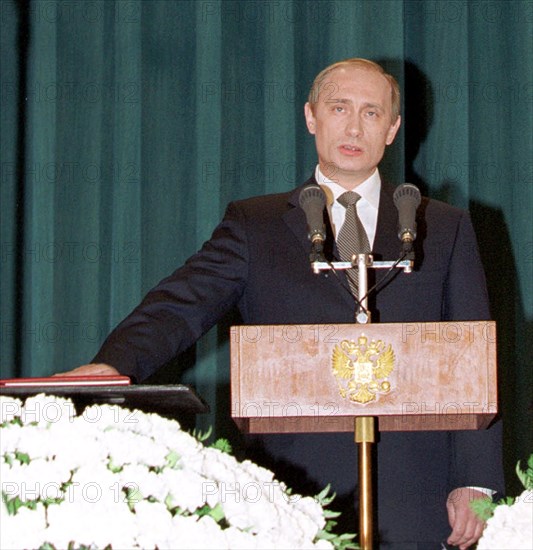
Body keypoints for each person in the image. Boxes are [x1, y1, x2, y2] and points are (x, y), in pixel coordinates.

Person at [61, 58, 504, 549]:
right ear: (311, 117)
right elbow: (179, 305)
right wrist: (113, 363)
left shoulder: (442, 226)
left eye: (372, 113)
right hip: (290, 493)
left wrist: (477, 482)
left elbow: (475, 361)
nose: (354, 126)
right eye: (339, 108)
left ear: (393, 128)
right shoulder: (257, 224)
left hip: (418, 489)